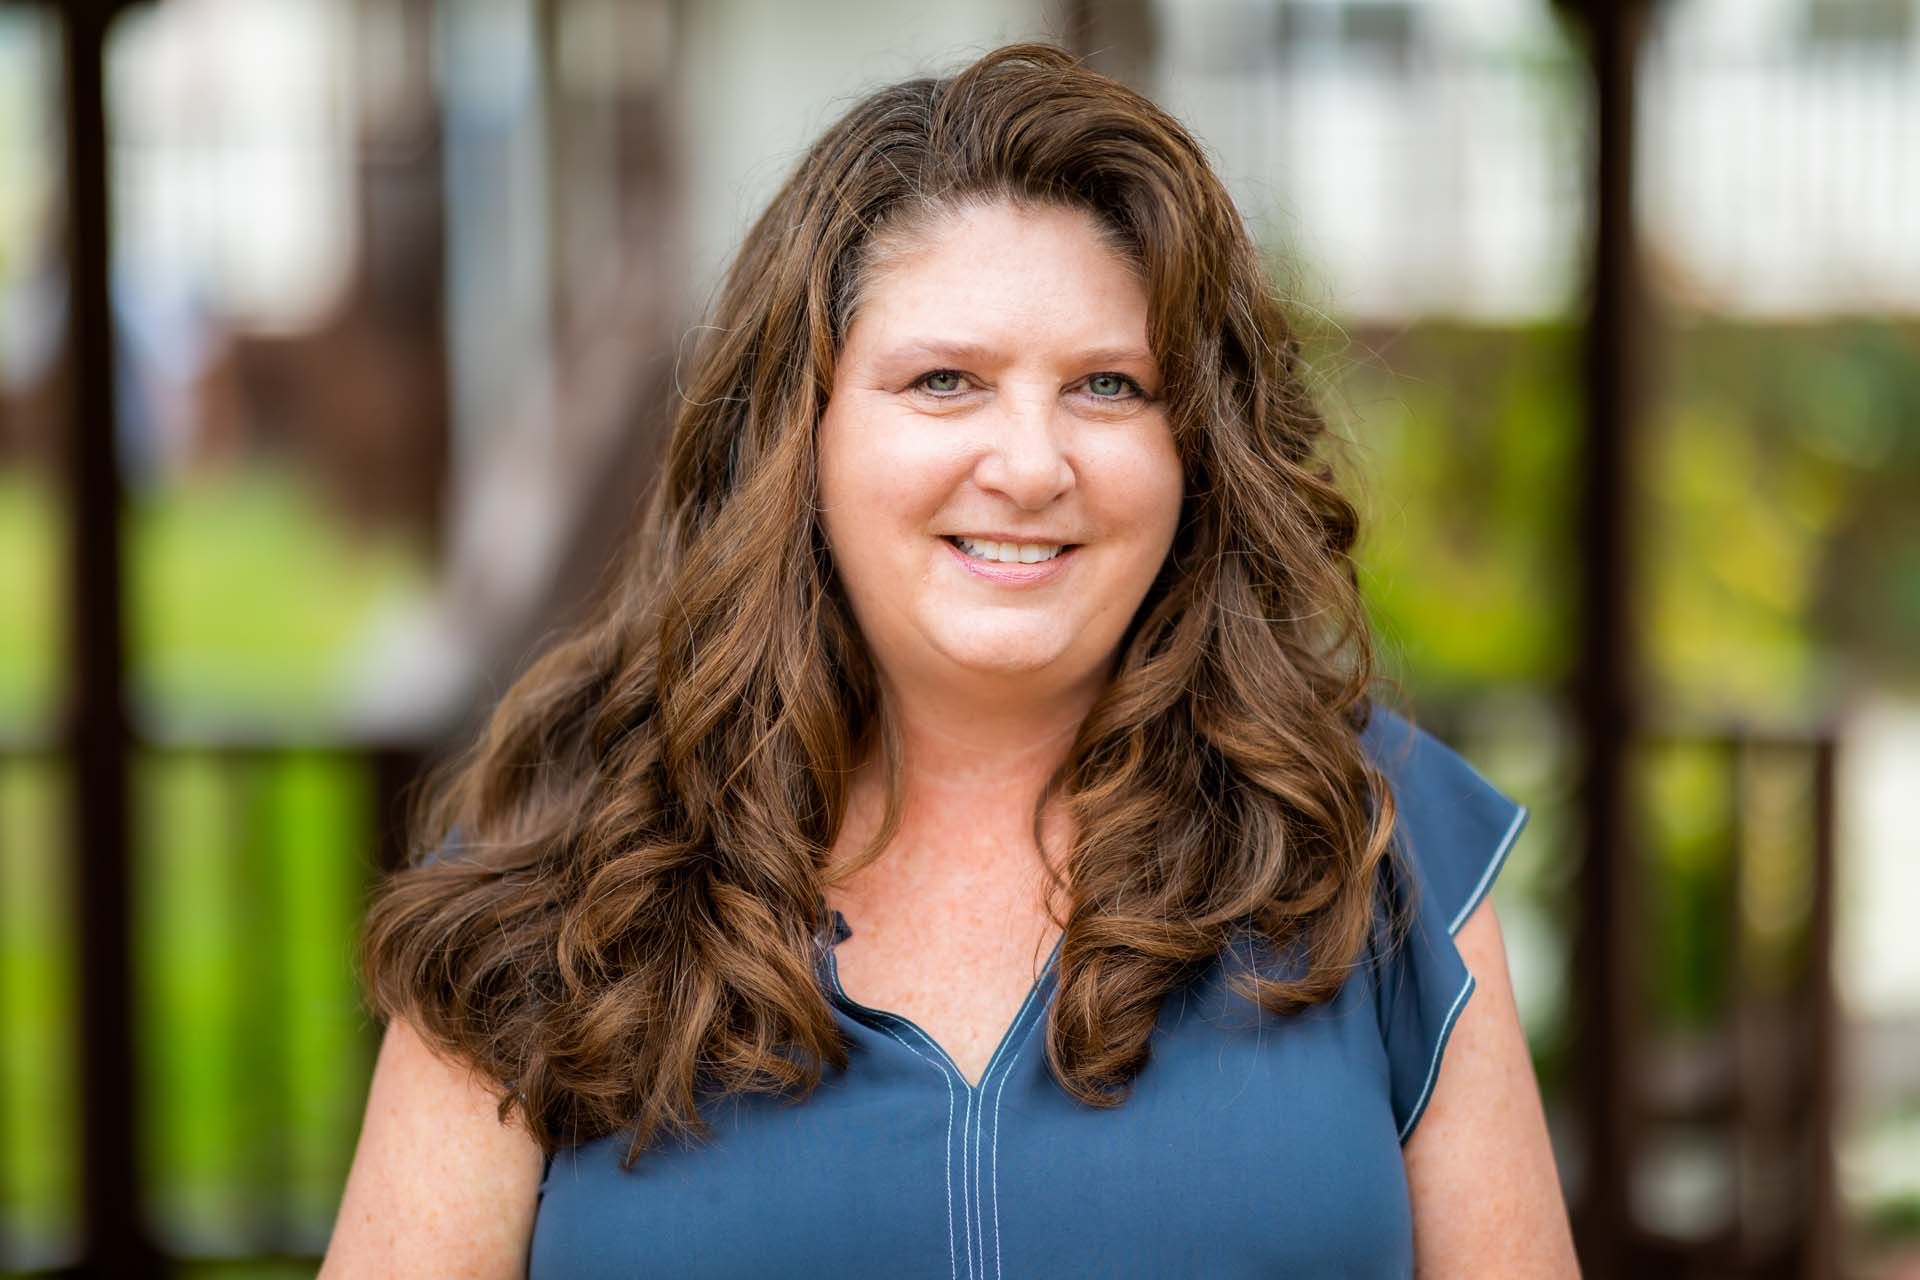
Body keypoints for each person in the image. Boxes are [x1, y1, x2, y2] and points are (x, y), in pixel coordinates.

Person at [321, 42, 1580, 1278]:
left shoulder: (1381, 844)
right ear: (799, 430)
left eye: (1108, 385)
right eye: (943, 380)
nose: (1031, 465)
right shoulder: (556, 873)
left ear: (1197, 447)